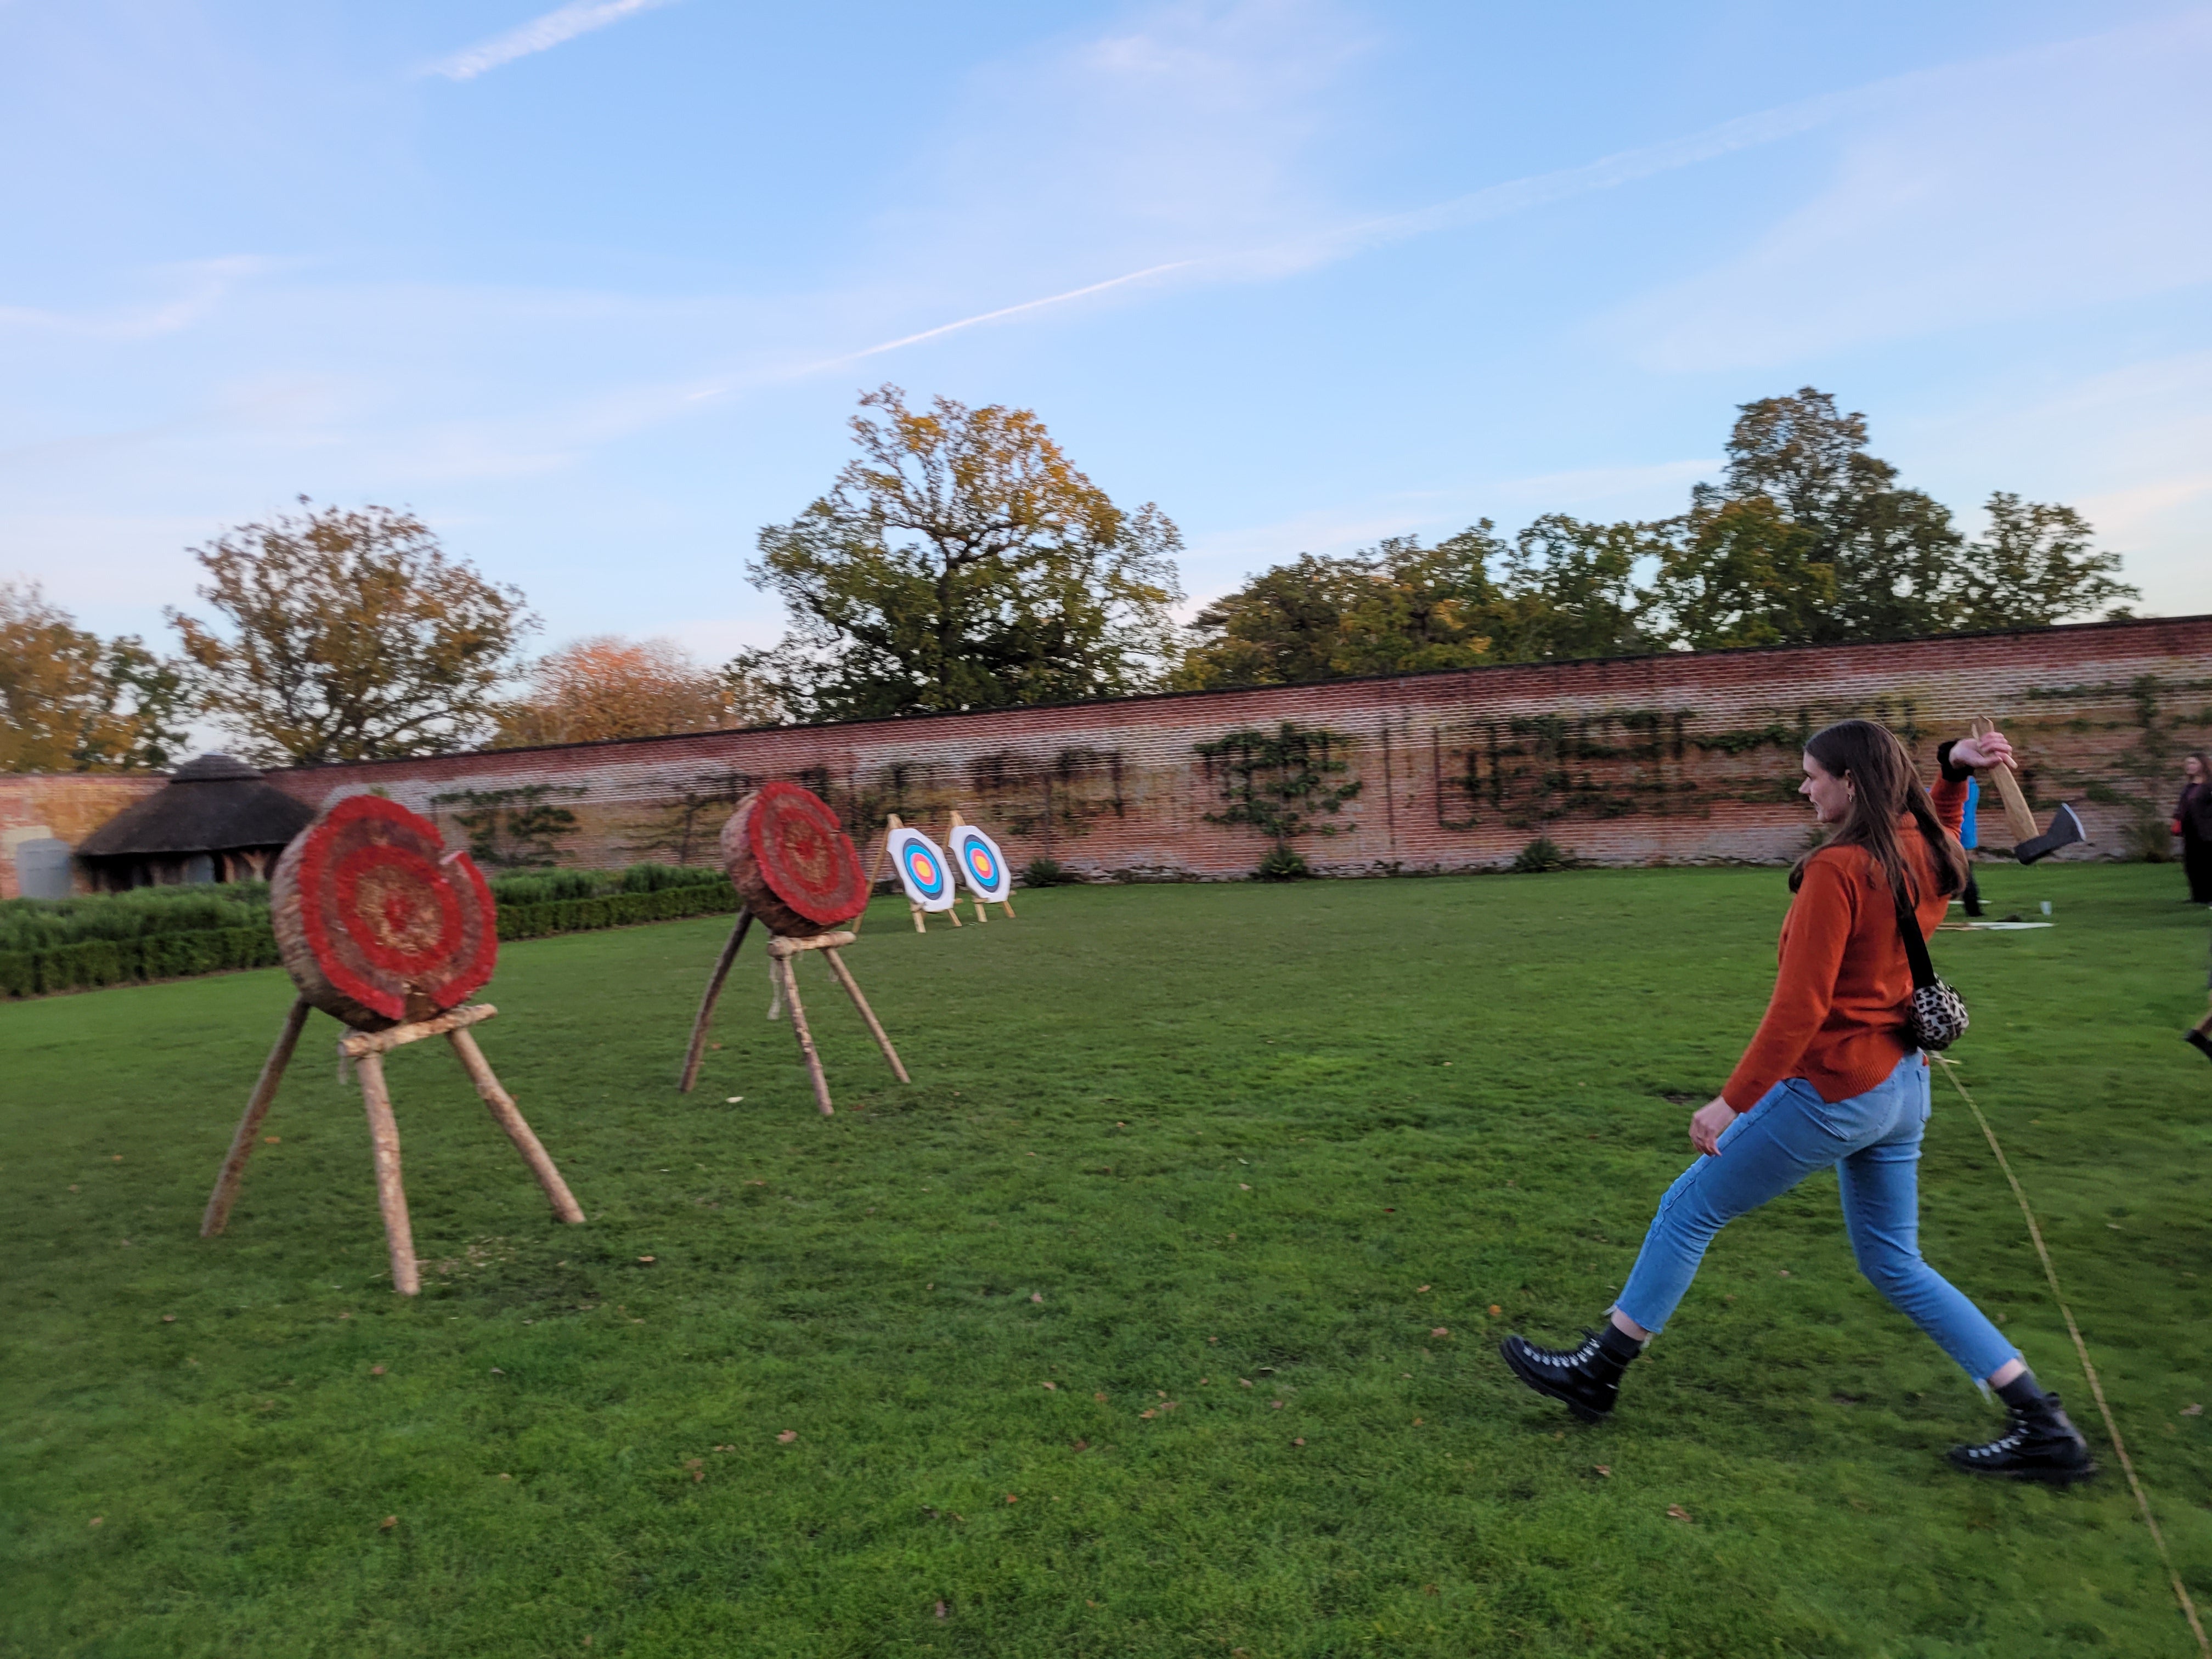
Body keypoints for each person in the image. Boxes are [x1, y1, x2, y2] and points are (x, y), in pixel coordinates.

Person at [1499, 718, 2096, 1485]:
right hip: (1904, 1087)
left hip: (1837, 1090)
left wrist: (1729, 1103)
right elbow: (1942, 820)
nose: (1803, 786)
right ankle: (2041, 1421)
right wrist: (1954, 767)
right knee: (1893, 1259)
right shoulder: (1926, 852)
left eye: (1813, 774)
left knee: (1689, 1209)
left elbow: (1799, 1012)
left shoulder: (1839, 870)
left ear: (1851, 782)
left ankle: (1599, 1369)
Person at [2176, 752, 2212, 905]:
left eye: (2193, 763)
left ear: (2202, 766)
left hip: (2207, 832)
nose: (2189, 766)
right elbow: (2183, 807)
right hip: (2191, 832)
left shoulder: (2209, 786)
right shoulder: (2189, 787)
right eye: (2188, 763)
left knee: (2208, 865)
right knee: (2192, 865)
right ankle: (2198, 897)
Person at [1959, 773, 1984, 918]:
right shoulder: (1973, 786)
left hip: (1959, 831)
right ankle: (1973, 907)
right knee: (1965, 869)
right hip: (1967, 832)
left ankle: (1973, 909)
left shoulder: (1964, 786)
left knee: (1965, 872)